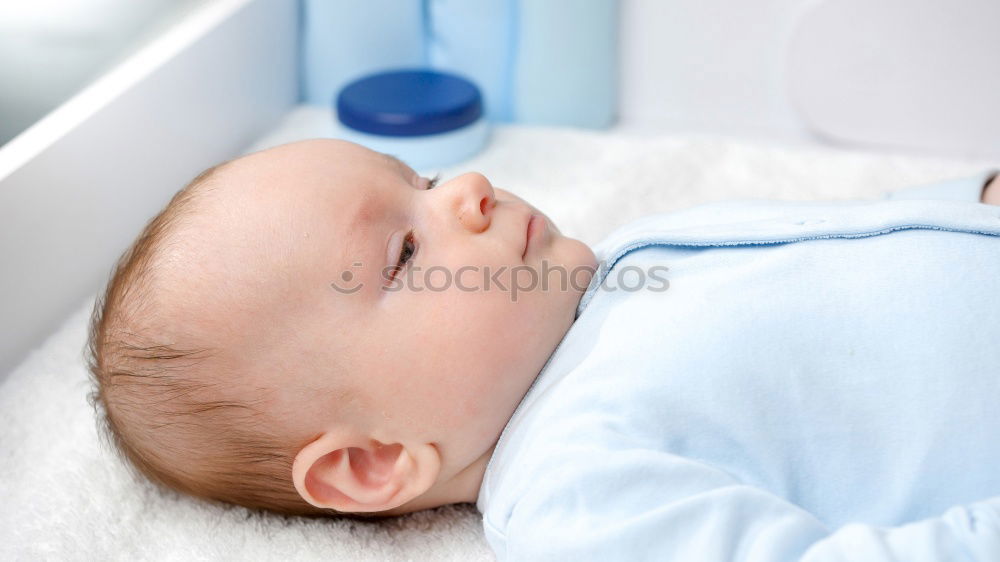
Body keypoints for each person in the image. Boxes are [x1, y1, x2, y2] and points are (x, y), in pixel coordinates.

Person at [86, 139, 1000, 560]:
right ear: (372, 464)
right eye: (407, 251)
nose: (472, 189)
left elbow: (843, 240)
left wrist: (975, 194)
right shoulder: (574, 490)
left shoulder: (626, 260)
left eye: (427, 178)